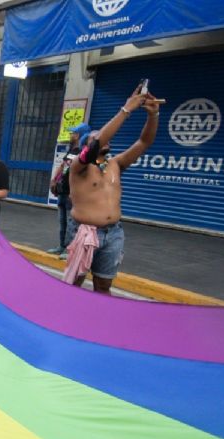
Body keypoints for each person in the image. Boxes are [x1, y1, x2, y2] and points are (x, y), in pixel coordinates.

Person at [64, 86, 161, 294]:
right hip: (84, 232)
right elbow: (97, 143)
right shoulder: (78, 167)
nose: (105, 138)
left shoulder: (116, 164)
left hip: (113, 233)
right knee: (74, 285)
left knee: (104, 285)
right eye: (98, 137)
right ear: (85, 147)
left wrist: (153, 115)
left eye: (106, 136)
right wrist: (126, 109)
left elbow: (144, 142)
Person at [48, 123, 90, 259]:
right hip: (63, 192)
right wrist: (54, 179)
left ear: (79, 135)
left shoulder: (84, 153)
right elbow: (63, 165)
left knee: (72, 224)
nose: (71, 135)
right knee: (63, 222)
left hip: (74, 194)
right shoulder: (72, 150)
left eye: (73, 133)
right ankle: (61, 246)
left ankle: (70, 250)